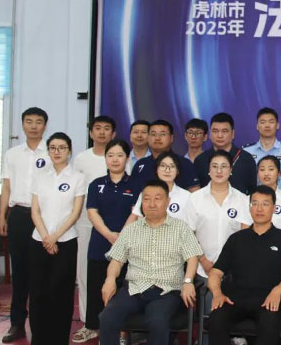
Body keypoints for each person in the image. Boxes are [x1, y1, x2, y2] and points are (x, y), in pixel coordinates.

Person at [98, 180, 203, 345]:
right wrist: (110, 279)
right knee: (107, 317)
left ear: (167, 201)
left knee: (157, 321)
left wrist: (188, 281)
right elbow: (116, 260)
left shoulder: (181, 228)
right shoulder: (131, 229)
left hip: (167, 291)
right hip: (134, 289)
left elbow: (192, 257)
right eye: (146, 199)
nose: (152, 204)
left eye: (157, 198)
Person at [207, 186, 281, 345]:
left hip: (267, 300)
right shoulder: (236, 239)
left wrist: (277, 290)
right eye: (255, 204)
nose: (259, 209)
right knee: (216, 318)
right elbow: (216, 272)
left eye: (265, 204)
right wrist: (217, 293)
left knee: (270, 323)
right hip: (235, 299)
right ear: (249, 207)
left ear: (274, 208)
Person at [73, 140, 140, 344]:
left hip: (128, 244)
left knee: (123, 290)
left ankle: (122, 331)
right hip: (100, 243)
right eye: (110, 155)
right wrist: (110, 235)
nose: (115, 159)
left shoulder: (136, 185)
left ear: (127, 158)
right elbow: (92, 212)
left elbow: (136, 213)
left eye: (120, 155)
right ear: (105, 158)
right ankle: (92, 326)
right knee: (96, 286)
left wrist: (121, 237)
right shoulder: (96, 184)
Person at [29, 132, 86, 345]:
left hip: (66, 242)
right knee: (38, 294)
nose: (57, 152)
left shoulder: (77, 177)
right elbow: (35, 211)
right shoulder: (40, 176)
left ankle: (59, 339)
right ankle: (39, 339)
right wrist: (46, 237)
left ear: (69, 151)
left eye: (62, 148)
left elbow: (75, 212)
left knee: (60, 293)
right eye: (53, 148)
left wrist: (55, 237)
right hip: (39, 241)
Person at [0, 107, 49, 343]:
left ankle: (40, 324)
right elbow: (7, 187)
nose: (33, 126)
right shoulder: (12, 154)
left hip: (44, 217)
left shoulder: (51, 151)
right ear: (22, 124)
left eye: (38, 122)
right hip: (18, 215)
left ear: (45, 126)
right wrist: (2, 217)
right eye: (29, 121)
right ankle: (17, 324)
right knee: (19, 274)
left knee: (41, 272)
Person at [72, 115, 117, 341]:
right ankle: (87, 322)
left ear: (113, 133)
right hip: (85, 222)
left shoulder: (119, 156)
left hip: (114, 228)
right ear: (91, 133)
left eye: (106, 128)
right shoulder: (81, 159)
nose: (101, 132)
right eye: (97, 128)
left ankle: (113, 324)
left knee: (114, 276)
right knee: (85, 275)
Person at [185, 150, 249, 288]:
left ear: (231, 170)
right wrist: (203, 260)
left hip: (233, 271)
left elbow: (245, 237)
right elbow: (189, 235)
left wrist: (229, 263)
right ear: (209, 170)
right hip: (202, 270)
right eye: (214, 166)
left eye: (224, 166)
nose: (219, 171)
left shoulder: (242, 200)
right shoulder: (195, 198)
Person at [194, 112, 257, 194]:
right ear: (210, 134)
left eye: (224, 131)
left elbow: (253, 192)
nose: (220, 135)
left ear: (233, 134)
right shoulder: (200, 160)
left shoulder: (246, 159)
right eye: (215, 131)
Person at [130, 119, 199, 191]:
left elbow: (194, 193)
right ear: (148, 137)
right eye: (153, 134)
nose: (157, 138)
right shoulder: (140, 164)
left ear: (171, 138)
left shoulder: (184, 163)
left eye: (162, 134)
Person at [126, 152, 192, 224]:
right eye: (163, 166)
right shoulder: (145, 193)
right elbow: (136, 219)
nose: (167, 170)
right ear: (156, 170)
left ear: (177, 171)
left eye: (172, 166)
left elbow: (190, 225)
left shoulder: (186, 196)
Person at [240, 155, 281, 234]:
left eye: (271, 169)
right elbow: (243, 232)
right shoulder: (247, 200)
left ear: (279, 173)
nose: (266, 173)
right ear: (257, 174)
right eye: (262, 169)